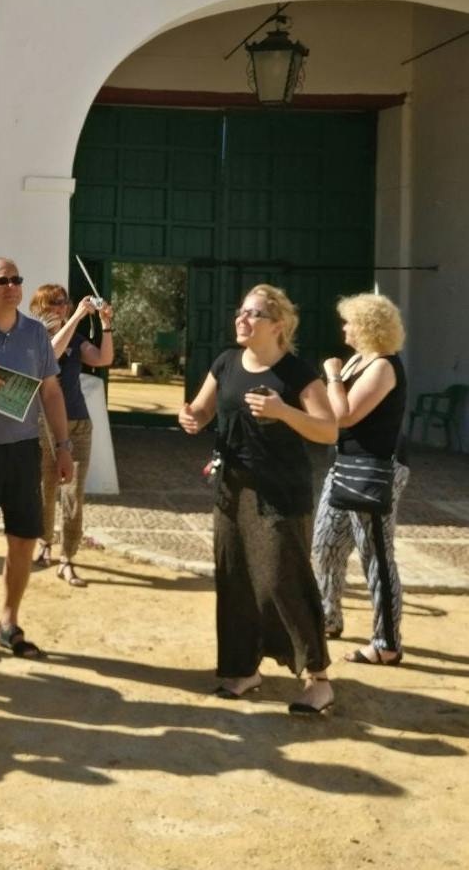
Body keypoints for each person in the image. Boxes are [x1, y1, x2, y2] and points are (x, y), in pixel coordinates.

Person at [178, 284, 337, 714]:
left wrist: (284, 412)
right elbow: (201, 410)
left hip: (280, 492)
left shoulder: (297, 373)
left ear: (278, 325)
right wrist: (190, 417)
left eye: (252, 314)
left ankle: (317, 679)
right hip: (231, 489)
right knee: (235, 580)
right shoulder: (226, 362)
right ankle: (243, 669)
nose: (240, 320)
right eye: (240, 312)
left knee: (280, 581)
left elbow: (328, 430)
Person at [0, 257, 74, 665]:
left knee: (23, 539)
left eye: (17, 279)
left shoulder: (36, 333)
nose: (11, 285)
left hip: (23, 451)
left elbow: (52, 392)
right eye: (1, 280)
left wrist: (63, 446)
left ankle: (9, 622)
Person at [311, 293, 409, 666]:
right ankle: (328, 616)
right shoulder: (358, 360)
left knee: (376, 556)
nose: (344, 328)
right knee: (325, 544)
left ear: (368, 326)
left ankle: (387, 643)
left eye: (350, 322)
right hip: (345, 464)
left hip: (376, 471)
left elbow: (347, 414)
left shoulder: (384, 366)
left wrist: (333, 375)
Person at [28, 284, 115, 586]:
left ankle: (67, 557)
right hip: (44, 426)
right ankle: (44, 543)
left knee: (73, 495)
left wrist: (106, 324)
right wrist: (78, 314)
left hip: (79, 423)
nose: (61, 307)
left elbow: (103, 359)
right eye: (55, 302)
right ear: (40, 306)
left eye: (64, 302)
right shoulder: (34, 337)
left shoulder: (76, 339)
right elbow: (49, 356)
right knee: (45, 489)